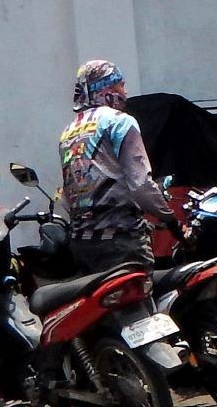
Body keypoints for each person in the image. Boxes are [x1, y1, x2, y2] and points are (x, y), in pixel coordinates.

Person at [59, 59, 177, 272]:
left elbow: (68, 196)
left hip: (81, 244)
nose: (126, 92)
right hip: (121, 242)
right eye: (121, 85)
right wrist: (171, 221)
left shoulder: (69, 131)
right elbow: (141, 185)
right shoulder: (119, 121)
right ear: (107, 90)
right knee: (138, 301)